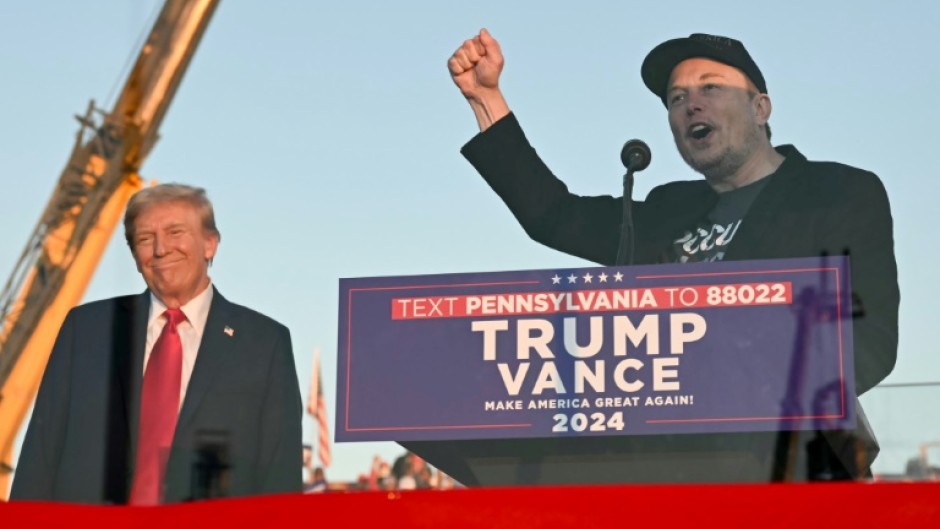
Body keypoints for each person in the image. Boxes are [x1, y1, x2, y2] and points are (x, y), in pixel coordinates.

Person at [448, 30, 899, 479]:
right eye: (676, 98)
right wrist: (486, 98)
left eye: (711, 87)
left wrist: (748, 394)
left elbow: (870, 342)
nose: (691, 105)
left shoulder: (838, 193)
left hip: (797, 468)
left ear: (760, 108)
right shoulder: (668, 209)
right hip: (672, 470)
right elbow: (555, 215)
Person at [11, 183, 303, 504]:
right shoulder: (86, 330)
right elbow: (40, 457)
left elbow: (280, 480)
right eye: (145, 238)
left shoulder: (264, 343)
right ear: (135, 255)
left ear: (210, 243)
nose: (161, 249)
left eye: (176, 232)